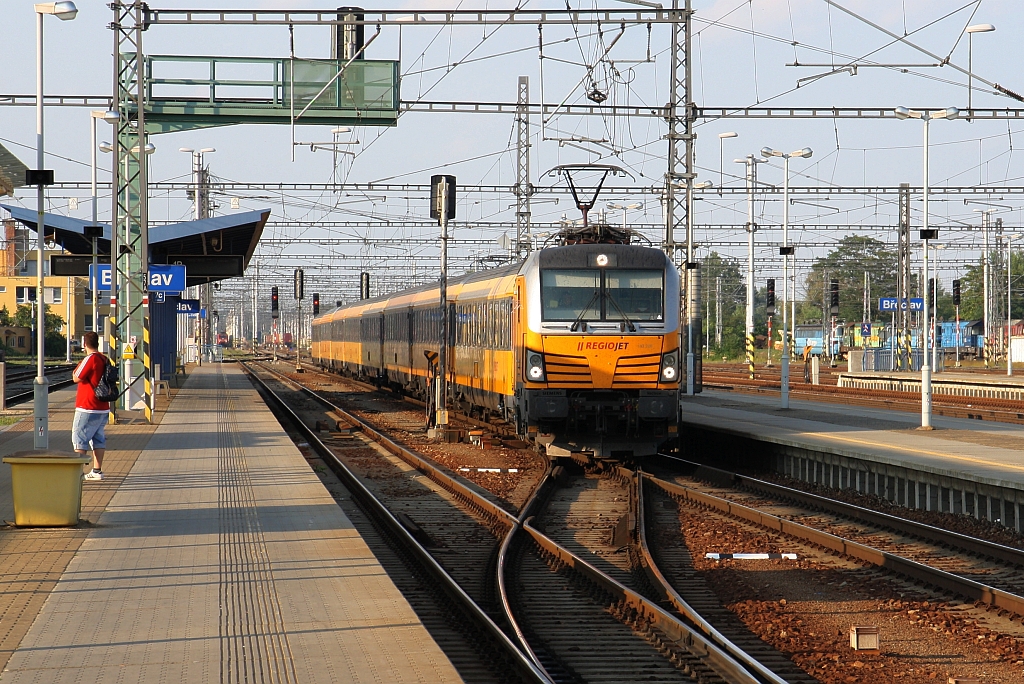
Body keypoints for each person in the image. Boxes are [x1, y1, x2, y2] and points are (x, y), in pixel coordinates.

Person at [72, 331, 110, 481]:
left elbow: (76, 377)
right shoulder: (104, 358)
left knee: (79, 438)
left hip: (87, 406)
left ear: (84, 344)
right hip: (103, 406)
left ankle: (77, 474)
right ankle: (97, 471)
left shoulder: (91, 359)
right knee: (98, 438)